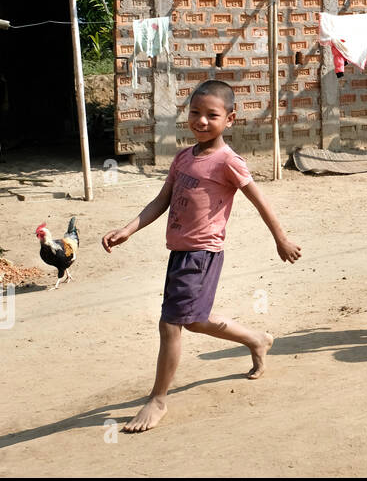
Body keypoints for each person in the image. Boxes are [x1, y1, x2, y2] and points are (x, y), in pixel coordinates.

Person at [102, 80, 302, 433]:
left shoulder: (228, 161)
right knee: (193, 319)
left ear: (230, 120)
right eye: (195, 113)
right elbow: (161, 201)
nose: (201, 121)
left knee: (171, 324)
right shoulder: (183, 158)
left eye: (212, 115)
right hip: (179, 253)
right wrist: (128, 229)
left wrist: (281, 239)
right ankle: (256, 338)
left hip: (201, 252)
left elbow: (260, 200)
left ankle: (158, 399)